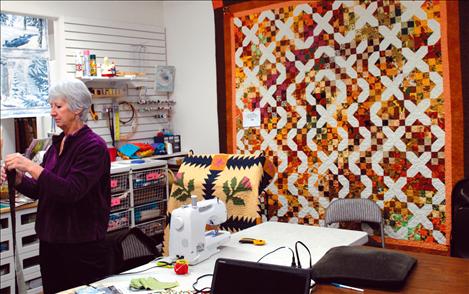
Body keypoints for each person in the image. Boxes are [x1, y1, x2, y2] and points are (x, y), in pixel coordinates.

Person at [1, 79, 111, 293]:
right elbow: (41, 189)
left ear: (78, 108)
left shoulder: (93, 147)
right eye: (51, 106)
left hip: (81, 245)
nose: (52, 112)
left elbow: (71, 191)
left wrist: (30, 166)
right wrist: (17, 179)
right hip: (51, 241)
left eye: (58, 106)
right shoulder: (56, 145)